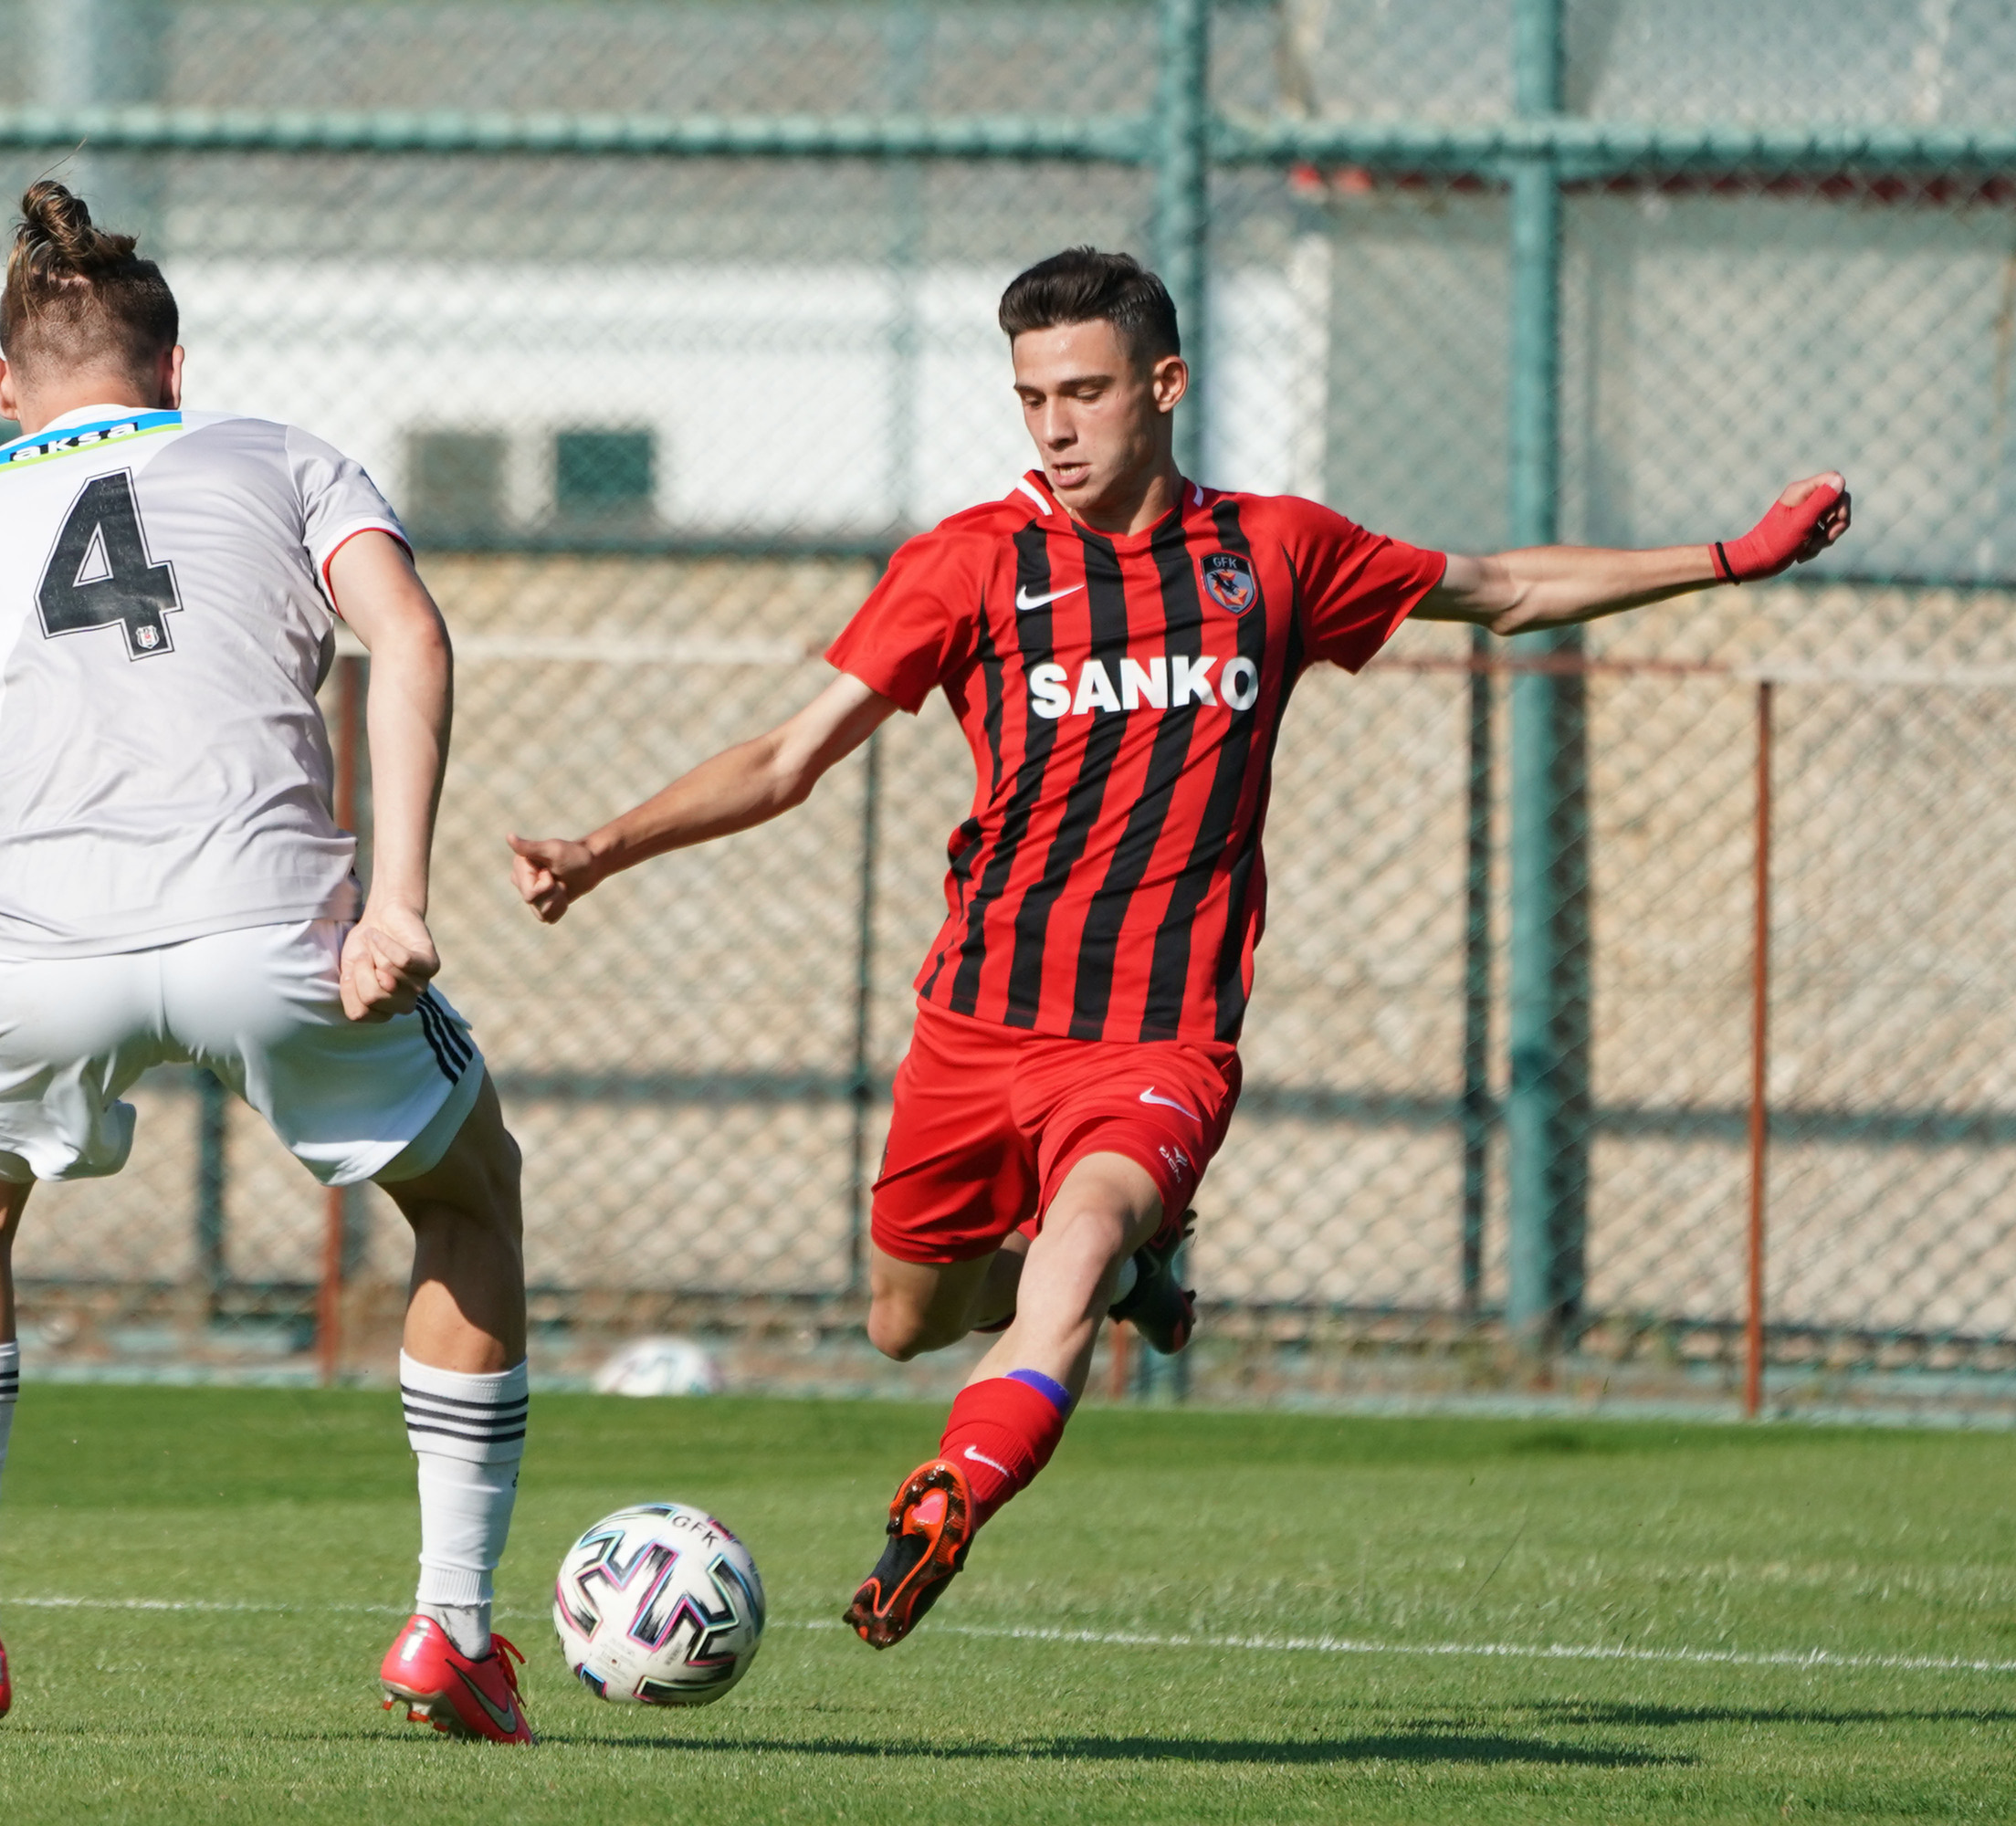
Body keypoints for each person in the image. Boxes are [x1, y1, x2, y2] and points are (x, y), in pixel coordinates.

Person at [509, 246, 1849, 1651]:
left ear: (1164, 385)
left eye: (1083, 392)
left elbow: (1504, 586)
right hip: (976, 1028)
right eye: (1031, 398)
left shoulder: (1273, 551)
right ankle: (1127, 1289)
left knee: (1075, 1243)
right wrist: (604, 848)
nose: (1055, 428)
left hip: (1159, 1039)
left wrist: (1727, 559)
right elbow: (787, 759)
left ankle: (950, 1496)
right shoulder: (972, 563)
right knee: (908, 1321)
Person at [0, 181, 537, 1746]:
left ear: (1, 391)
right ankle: (451, 1629)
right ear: (178, 372)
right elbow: (415, 639)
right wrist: (399, 900)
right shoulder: (287, 456)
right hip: (279, 930)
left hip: (39, 956)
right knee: (469, 1189)